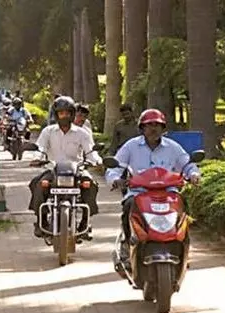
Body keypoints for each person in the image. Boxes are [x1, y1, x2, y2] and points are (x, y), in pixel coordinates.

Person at [105, 108, 201, 266]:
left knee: (183, 209)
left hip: (168, 192)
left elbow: (188, 165)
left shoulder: (173, 147)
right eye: (149, 125)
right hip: (139, 192)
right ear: (142, 128)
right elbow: (115, 167)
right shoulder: (131, 146)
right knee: (128, 207)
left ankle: (184, 248)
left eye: (157, 125)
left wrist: (193, 175)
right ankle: (126, 245)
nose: (153, 128)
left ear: (163, 128)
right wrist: (115, 179)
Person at [28, 96, 101, 239]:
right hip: (52, 169)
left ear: (72, 114)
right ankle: (41, 220)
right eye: (61, 113)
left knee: (90, 184)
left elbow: (91, 151)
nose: (64, 116)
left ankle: (85, 223)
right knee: (37, 185)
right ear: (56, 115)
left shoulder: (82, 133)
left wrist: (98, 161)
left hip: (77, 170)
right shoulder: (48, 131)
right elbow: (40, 148)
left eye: (67, 113)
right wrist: (37, 158)